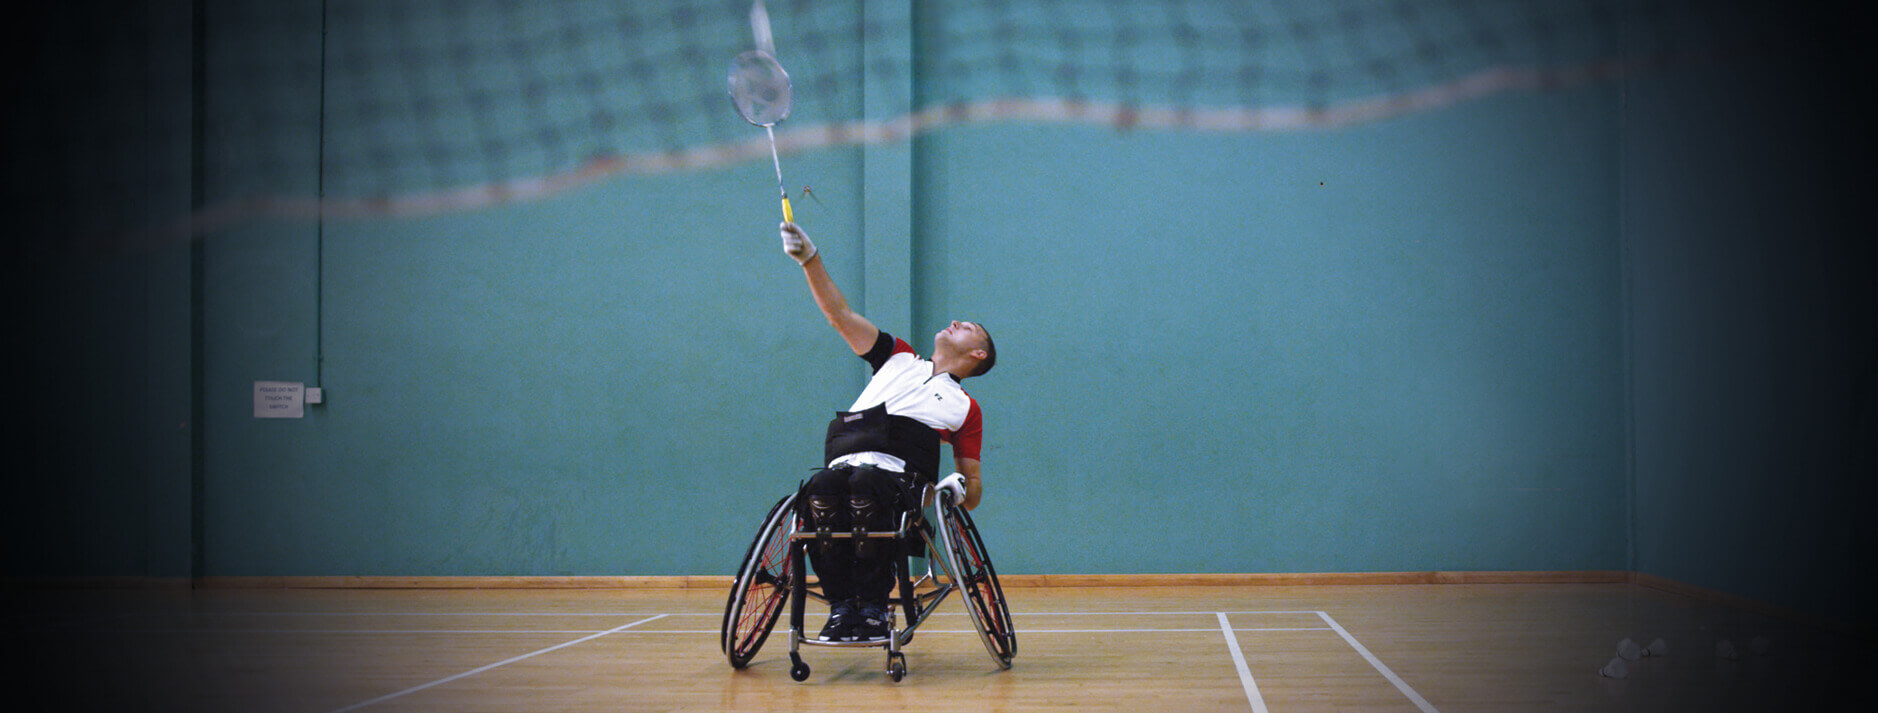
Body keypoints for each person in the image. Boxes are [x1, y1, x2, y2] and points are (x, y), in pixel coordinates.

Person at [779, 220, 997, 643]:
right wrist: (810, 259)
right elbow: (838, 316)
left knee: (867, 486)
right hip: (845, 461)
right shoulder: (897, 356)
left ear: (978, 352)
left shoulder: (966, 408)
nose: (955, 321)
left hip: (897, 481)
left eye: (967, 326)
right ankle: (843, 606)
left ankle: (875, 606)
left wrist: (955, 490)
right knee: (820, 486)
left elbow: (974, 490)